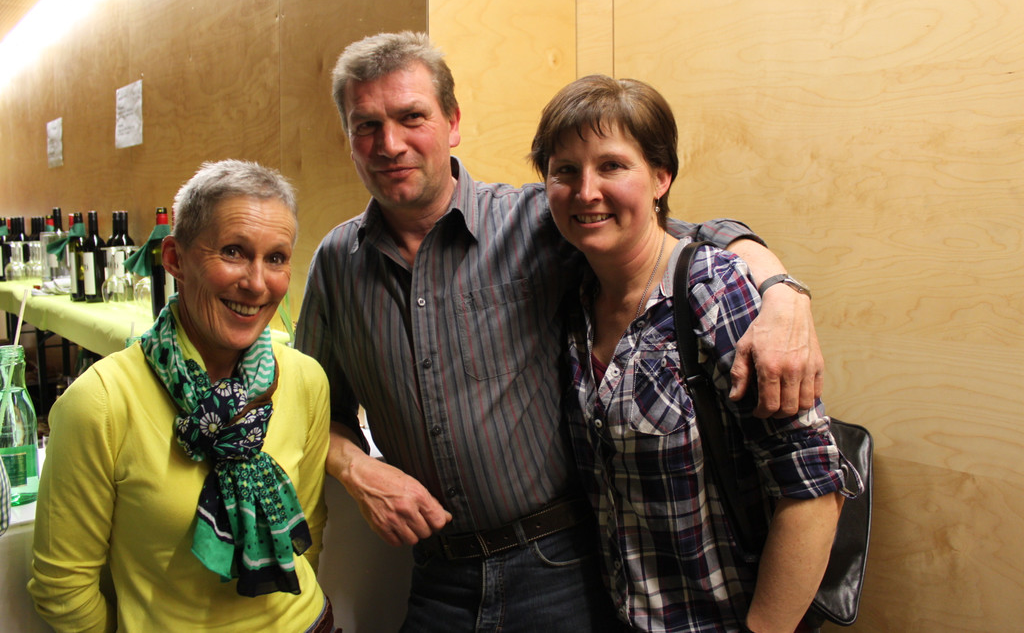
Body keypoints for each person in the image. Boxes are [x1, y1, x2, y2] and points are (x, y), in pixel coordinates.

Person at [297, 31, 824, 631]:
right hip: (438, 576)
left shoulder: (540, 220)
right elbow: (313, 413)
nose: (389, 143)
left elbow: (667, 234)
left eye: (411, 117)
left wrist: (783, 291)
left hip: (559, 570)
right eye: (366, 125)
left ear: (452, 121)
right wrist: (356, 467)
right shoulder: (336, 263)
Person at [529, 74, 862, 632]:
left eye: (612, 165)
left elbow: (813, 489)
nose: (586, 190)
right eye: (565, 170)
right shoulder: (574, 297)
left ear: (661, 177)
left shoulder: (712, 289)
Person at [29, 160, 334, 632]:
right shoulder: (101, 403)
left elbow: (308, 532)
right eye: (233, 252)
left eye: (276, 258)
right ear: (174, 258)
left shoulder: (305, 379)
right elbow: (62, 588)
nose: (257, 283)